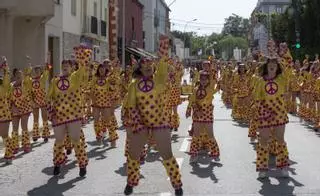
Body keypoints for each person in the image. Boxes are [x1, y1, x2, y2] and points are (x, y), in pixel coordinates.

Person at [123, 57, 183, 196]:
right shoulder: (134, 84)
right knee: (133, 153)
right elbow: (131, 106)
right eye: (145, 65)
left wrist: (162, 51)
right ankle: (131, 182)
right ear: (140, 69)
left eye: (150, 64)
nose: (148, 67)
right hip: (141, 123)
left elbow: (162, 65)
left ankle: (177, 184)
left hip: (160, 122)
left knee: (167, 154)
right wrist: (137, 123)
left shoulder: (159, 80)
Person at [47, 59, 88, 177]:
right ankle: (57, 164)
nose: (65, 67)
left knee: (76, 140)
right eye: (63, 65)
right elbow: (49, 97)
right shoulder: (55, 80)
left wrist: (82, 58)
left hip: (74, 115)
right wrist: (51, 113)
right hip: (59, 116)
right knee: (59, 141)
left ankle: (82, 164)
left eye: (67, 65)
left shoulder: (75, 77)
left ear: (71, 67)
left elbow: (82, 69)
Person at [254, 57, 290, 179]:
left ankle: (284, 166)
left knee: (280, 139)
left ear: (278, 66)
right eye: (270, 63)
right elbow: (257, 99)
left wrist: (282, 54)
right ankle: (263, 168)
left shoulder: (282, 79)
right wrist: (264, 111)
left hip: (279, 113)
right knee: (263, 140)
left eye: (275, 64)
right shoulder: (260, 81)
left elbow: (288, 67)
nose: (272, 66)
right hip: (265, 114)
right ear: (266, 66)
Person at [186, 69, 220, 163]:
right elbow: (192, 101)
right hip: (198, 114)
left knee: (210, 134)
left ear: (208, 80)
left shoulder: (210, 89)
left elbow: (215, 80)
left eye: (206, 79)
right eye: (202, 79)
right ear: (199, 80)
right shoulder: (196, 89)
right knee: (196, 135)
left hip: (208, 114)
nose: (204, 81)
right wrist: (193, 110)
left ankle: (215, 152)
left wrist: (212, 67)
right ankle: (193, 154)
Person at [91, 59, 119, 146]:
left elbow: (115, 86)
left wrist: (114, 102)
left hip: (106, 103)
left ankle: (113, 138)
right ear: (98, 70)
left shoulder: (109, 78)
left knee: (108, 121)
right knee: (96, 121)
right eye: (100, 68)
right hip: (96, 103)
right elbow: (91, 89)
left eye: (103, 68)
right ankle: (99, 137)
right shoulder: (94, 79)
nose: (101, 70)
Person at [10, 67, 33, 153]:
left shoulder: (25, 84)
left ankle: (26, 144)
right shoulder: (11, 86)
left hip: (24, 108)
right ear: (15, 77)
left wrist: (29, 69)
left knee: (24, 126)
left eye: (21, 76)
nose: (19, 78)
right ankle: (15, 146)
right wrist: (12, 106)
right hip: (14, 109)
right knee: (15, 128)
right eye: (17, 76)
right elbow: (8, 98)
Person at [30, 64, 51, 142]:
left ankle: (46, 134)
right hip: (35, 101)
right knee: (35, 118)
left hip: (43, 100)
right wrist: (32, 101)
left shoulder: (43, 78)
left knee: (44, 116)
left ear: (41, 72)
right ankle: (35, 134)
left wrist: (47, 65)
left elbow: (47, 70)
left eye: (38, 71)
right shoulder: (31, 80)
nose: (37, 72)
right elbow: (30, 92)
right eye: (35, 71)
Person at [0, 56, 14, 163]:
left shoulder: (4, 85)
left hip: (3, 113)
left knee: (4, 135)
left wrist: (5, 64)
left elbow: (6, 75)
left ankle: (9, 153)